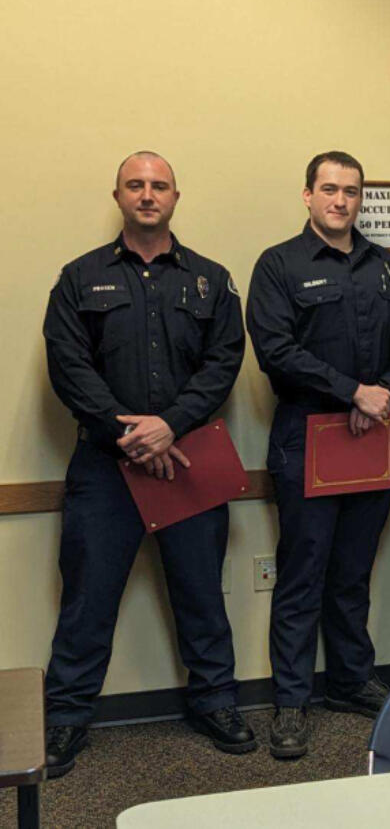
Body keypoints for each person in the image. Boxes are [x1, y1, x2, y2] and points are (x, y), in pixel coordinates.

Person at [42, 151, 253, 776]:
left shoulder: (211, 280)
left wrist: (171, 424)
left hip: (190, 456)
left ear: (176, 196)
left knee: (201, 593)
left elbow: (224, 362)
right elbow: (68, 364)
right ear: (118, 196)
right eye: (135, 184)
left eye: (159, 185)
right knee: (87, 598)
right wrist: (127, 433)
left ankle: (215, 701)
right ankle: (66, 718)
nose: (147, 194)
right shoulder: (79, 277)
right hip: (106, 466)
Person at [247, 151, 390, 759]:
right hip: (307, 436)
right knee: (302, 574)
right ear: (308, 195)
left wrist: (381, 394)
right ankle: (292, 699)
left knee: (353, 572)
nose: (341, 200)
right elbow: (275, 350)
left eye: (352, 191)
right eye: (330, 189)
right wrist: (352, 392)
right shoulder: (279, 264)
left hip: (372, 436)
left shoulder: (387, 268)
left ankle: (348, 679)